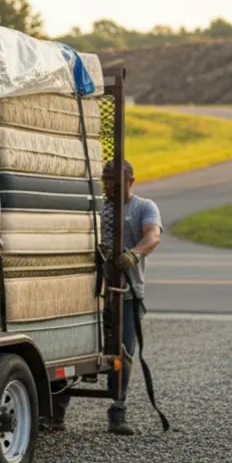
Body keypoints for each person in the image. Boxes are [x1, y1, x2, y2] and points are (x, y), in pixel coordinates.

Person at [50, 159, 161, 436]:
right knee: (74, 351)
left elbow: (153, 236)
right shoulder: (98, 208)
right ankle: (55, 414)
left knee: (122, 353)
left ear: (131, 182)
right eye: (106, 180)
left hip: (126, 294)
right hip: (91, 295)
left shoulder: (144, 207)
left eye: (116, 181)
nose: (109, 186)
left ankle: (118, 412)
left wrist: (133, 255)